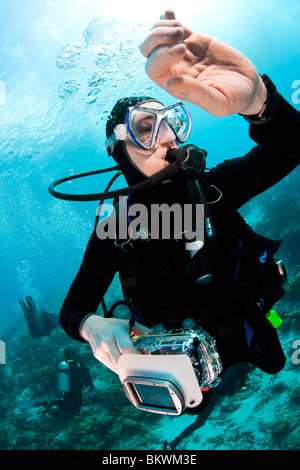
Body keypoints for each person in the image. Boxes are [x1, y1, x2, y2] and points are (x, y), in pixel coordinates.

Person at [59, 10, 300, 415]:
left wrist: (263, 104)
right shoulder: (119, 228)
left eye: (172, 121)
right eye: (145, 127)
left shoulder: (212, 189)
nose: (166, 137)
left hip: (249, 323)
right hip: (184, 361)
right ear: (119, 149)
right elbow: (73, 309)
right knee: (196, 407)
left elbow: (290, 148)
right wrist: (90, 326)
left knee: (275, 364)